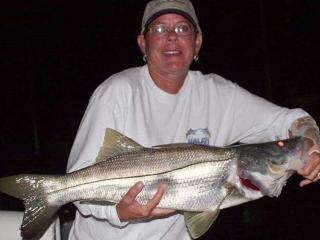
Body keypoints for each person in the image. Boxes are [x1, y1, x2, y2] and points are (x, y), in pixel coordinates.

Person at [66, 0, 320, 239]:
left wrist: (312, 146)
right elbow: (77, 179)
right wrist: (119, 212)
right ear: (143, 43)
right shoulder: (117, 91)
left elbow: (290, 120)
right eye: (159, 28)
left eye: (182, 28)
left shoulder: (219, 95)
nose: (172, 36)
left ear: (197, 42)